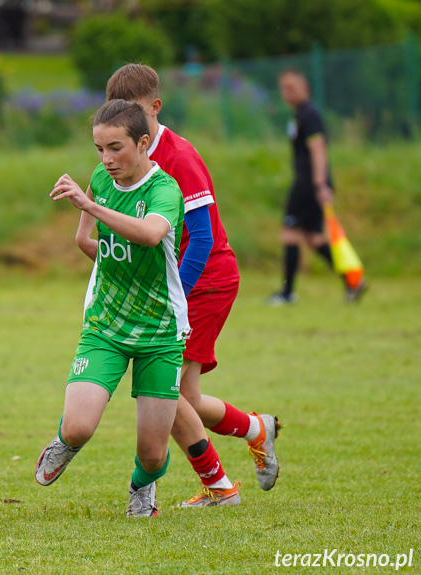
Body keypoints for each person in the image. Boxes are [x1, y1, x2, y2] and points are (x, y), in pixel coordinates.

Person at [98, 63, 280, 506]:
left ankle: (219, 485)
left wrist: (171, 294)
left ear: (155, 108)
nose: (127, 124)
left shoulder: (179, 156)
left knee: (163, 389)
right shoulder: (123, 156)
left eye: (136, 113)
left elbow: (200, 238)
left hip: (206, 278)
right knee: (184, 394)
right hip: (175, 281)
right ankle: (255, 430)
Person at [36, 99, 189, 517]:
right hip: (106, 324)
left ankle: (142, 488)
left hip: (160, 332)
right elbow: (86, 241)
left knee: (153, 455)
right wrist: (117, 276)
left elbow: (151, 234)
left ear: (143, 143)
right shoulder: (101, 180)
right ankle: (64, 443)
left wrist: (89, 206)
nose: (106, 159)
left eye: (116, 148)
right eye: (99, 149)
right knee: (79, 426)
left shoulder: (165, 189)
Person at [270, 68, 367, 305]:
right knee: (314, 238)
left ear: (305, 88)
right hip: (310, 182)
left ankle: (287, 293)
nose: (286, 93)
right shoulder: (300, 115)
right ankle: (353, 280)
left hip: (309, 182)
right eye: (283, 88)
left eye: (291, 87)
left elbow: (318, 148)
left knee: (290, 232)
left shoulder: (309, 114)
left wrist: (320, 183)